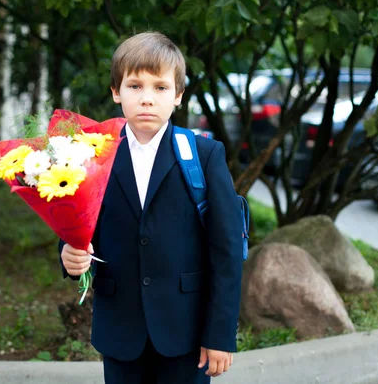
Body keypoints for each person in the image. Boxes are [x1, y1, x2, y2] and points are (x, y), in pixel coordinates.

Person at [59, 32, 243, 384]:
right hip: (120, 330)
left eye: (160, 88)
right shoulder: (91, 156)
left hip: (186, 333)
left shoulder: (204, 156)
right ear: (116, 92)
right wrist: (68, 254)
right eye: (135, 86)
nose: (147, 99)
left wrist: (220, 334)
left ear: (178, 96)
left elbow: (227, 251)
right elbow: (78, 225)